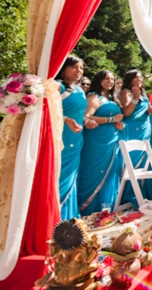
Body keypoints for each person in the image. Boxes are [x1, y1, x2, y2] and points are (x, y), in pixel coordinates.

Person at [78, 70, 124, 215]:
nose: (110, 81)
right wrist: (111, 120)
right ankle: (87, 209)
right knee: (92, 171)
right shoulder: (94, 97)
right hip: (95, 140)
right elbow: (86, 117)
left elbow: (115, 118)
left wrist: (117, 124)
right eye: (106, 79)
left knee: (109, 172)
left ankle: (105, 210)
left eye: (112, 79)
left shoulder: (111, 100)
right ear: (98, 80)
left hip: (110, 141)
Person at [56, 56, 91, 220]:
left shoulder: (79, 90)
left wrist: (86, 121)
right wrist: (66, 120)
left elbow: (78, 113)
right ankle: (56, 215)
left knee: (72, 176)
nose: (79, 71)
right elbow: (45, 110)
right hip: (61, 137)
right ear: (64, 69)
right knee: (59, 174)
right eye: (75, 67)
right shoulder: (58, 86)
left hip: (77, 137)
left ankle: (70, 215)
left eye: (81, 68)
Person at [119, 70, 152, 206]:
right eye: (136, 78)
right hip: (133, 130)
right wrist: (135, 97)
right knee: (132, 161)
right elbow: (127, 112)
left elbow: (141, 110)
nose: (140, 79)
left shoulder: (143, 93)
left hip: (145, 129)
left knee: (144, 163)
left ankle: (143, 193)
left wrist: (149, 110)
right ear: (130, 79)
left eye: (141, 77)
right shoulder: (126, 92)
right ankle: (131, 194)